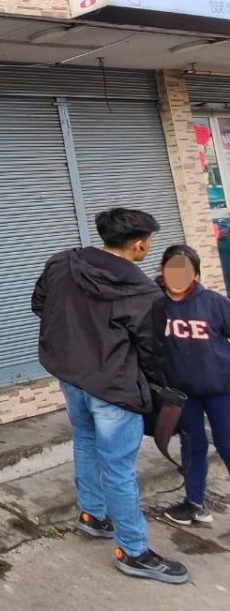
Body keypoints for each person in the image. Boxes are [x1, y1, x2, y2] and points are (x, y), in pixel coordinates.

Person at [32, 208, 189, 584]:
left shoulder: (63, 262)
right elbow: (152, 351)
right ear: (138, 245)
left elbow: (40, 305)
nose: (149, 247)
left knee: (85, 439)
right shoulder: (143, 291)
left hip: (71, 376)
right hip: (114, 388)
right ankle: (133, 551)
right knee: (119, 467)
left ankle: (92, 514)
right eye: (148, 241)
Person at [155, 244, 230, 527]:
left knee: (227, 444)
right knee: (193, 445)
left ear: (195, 273)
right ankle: (194, 503)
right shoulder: (156, 307)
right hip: (182, 395)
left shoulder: (213, 302)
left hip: (221, 389)